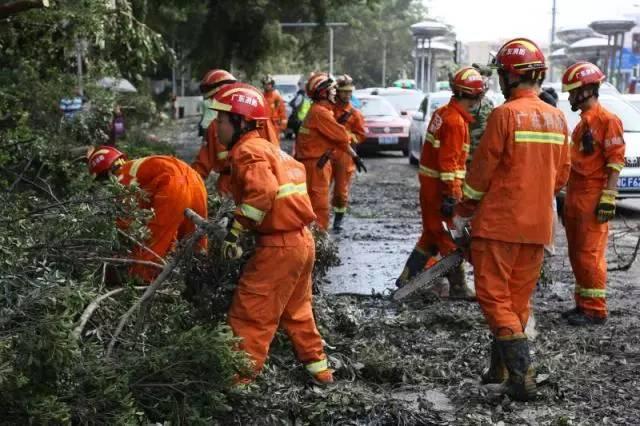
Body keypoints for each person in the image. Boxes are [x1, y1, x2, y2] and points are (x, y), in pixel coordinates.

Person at [453, 38, 570, 401]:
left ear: (510, 76)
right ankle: (500, 369)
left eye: (502, 74)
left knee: (492, 297)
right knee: (516, 301)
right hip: (537, 227)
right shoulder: (557, 117)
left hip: (500, 224)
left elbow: (482, 171)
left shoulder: (505, 115)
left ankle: (522, 374)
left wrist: (462, 212)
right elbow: (562, 175)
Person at [210, 82, 333, 385]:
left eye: (222, 120)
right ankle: (321, 372)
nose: (217, 127)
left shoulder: (246, 152)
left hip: (279, 247)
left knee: (250, 313)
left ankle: (238, 384)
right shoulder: (269, 149)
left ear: (241, 122)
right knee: (298, 310)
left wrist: (236, 231)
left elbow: (262, 192)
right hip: (301, 242)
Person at [394, 67, 485, 300]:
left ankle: (406, 278)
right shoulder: (455, 122)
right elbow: (450, 165)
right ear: (475, 97)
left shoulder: (443, 113)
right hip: (439, 190)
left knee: (431, 234)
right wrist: (452, 196)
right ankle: (458, 287)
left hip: (430, 186)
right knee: (447, 237)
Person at [560, 61, 625, 326]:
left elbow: (615, 161)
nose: (570, 96)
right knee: (577, 252)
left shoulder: (608, 121)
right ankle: (583, 304)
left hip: (593, 194)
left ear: (586, 90)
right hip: (576, 194)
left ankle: (595, 309)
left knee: (590, 254)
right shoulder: (581, 125)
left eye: (573, 91)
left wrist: (608, 196)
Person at [87, 146, 208, 283]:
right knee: (197, 248)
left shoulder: (122, 179)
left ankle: (145, 290)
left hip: (173, 185)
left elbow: (128, 227)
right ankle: (204, 283)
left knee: (147, 256)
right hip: (195, 181)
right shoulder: (137, 167)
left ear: (105, 175)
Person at [295, 72, 366, 230]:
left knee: (335, 195)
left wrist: (354, 156)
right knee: (319, 207)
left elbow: (347, 137)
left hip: (324, 160)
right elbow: (341, 136)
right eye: (333, 90)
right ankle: (318, 244)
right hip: (317, 164)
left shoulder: (323, 111)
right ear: (323, 92)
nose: (337, 93)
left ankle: (319, 237)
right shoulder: (321, 112)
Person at [191, 69, 279, 196]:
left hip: (257, 182)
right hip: (226, 185)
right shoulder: (214, 127)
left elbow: (274, 153)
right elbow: (201, 165)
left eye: (215, 98)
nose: (216, 104)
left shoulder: (257, 120)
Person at [330, 74, 366, 232]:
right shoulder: (328, 109)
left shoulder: (354, 113)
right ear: (337, 92)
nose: (347, 95)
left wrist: (349, 137)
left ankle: (338, 220)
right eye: (344, 91)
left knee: (340, 191)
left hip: (345, 154)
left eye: (349, 92)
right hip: (327, 152)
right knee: (319, 188)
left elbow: (362, 135)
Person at [467, 64, 495, 164]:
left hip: (483, 158)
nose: (485, 86)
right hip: (465, 158)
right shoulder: (465, 102)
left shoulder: (488, 103)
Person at [261, 74, 287, 144]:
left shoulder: (277, 97)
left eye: (269, 84)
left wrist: (282, 129)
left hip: (274, 127)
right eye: (265, 84)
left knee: (274, 147)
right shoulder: (261, 96)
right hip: (263, 128)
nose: (267, 86)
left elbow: (282, 113)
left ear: (272, 84)